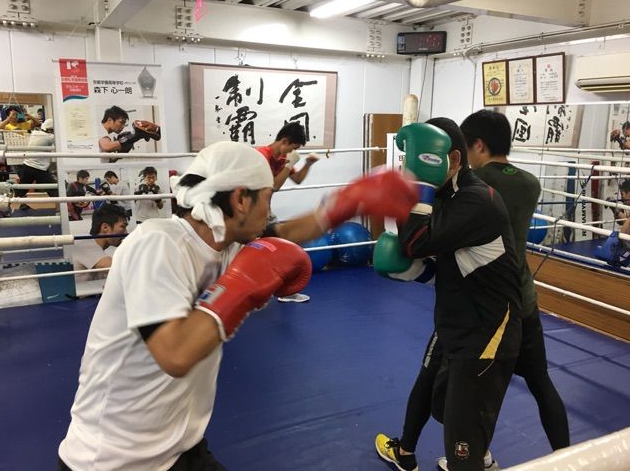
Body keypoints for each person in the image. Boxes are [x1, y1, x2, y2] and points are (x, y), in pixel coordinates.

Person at [58, 141, 419, 471]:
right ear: (241, 199)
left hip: (179, 447)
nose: (269, 211)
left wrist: (345, 204)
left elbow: (285, 234)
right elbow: (175, 354)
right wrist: (240, 287)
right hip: (112, 460)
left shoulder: (228, 243)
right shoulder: (157, 244)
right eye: (268, 199)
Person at [374, 118, 522, 471]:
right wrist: (416, 272)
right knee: (428, 385)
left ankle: (475, 460)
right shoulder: (444, 196)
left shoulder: (477, 200)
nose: (411, 172)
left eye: (421, 161)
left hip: (486, 334)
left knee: (461, 435)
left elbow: (416, 242)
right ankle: (405, 452)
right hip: (455, 317)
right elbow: (448, 265)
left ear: (453, 159)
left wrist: (418, 188)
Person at [461, 110, 570, 455]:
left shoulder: (473, 183)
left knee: (480, 391)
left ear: (479, 145)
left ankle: (476, 458)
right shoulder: (530, 183)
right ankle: (567, 458)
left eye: (466, 148)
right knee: (540, 382)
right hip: (524, 300)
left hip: (488, 307)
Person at [256, 121, 320, 303]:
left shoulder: (282, 158)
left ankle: (286, 291)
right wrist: (288, 164)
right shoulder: (261, 157)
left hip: (265, 214)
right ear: (284, 141)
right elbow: (273, 186)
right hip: (247, 217)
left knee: (283, 249)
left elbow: (297, 179)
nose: (293, 152)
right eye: (294, 148)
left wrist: (308, 164)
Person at [72, 203, 128, 282]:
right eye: (122, 226)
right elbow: (117, 269)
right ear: (105, 227)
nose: (126, 232)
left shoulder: (97, 251)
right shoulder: (85, 244)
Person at [15, 119, 58, 209]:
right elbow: (59, 141)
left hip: (27, 165)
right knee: (53, 189)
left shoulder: (35, 133)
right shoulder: (50, 137)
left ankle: (8, 205)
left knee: (21, 189)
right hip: (40, 168)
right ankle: (61, 209)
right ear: (50, 129)